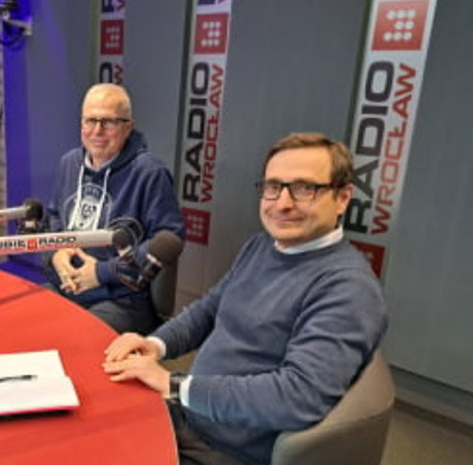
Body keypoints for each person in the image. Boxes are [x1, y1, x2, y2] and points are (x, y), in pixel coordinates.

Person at [102, 132, 388, 465]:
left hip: (224, 450)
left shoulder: (347, 287)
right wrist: (155, 345)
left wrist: (173, 384)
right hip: (188, 414)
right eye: (273, 186)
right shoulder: (261, 245)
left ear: (342, 198)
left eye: (304, 188)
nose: (282, 203)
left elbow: (297, 397)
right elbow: (209, 310)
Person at [44, 83, 185, 335]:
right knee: (24, 325)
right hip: (65, 284)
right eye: (90, 121)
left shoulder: (150, 173)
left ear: (127, 127)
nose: (97, 131)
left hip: (121, 297)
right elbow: (53, 218)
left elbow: (168, 237)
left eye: (108, 122)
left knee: (74, 340)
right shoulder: (69, 163)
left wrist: (101, 272)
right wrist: (56, 254)